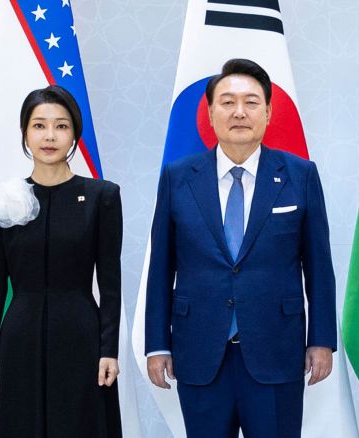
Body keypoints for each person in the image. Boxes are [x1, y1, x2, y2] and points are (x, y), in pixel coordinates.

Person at [144, 58, 337, 437]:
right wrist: (157, 344)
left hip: (276, 349)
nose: (239, 112)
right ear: (210, 113)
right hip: (199, 350)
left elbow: (319, 266)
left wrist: (321, 340)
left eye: (251, 102)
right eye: (228, 102)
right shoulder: (178, 177)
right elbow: (161, 267)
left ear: (268, 113)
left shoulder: (299, 175)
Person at [0, 85, 123, 437]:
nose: (49, 136)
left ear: (74, 134)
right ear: (25, 133)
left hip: (81, 336)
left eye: (61, 126)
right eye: (39, 125)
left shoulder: (101, 196)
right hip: (19, 339)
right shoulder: (2, 199)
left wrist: (109, 350)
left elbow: (110, 283)